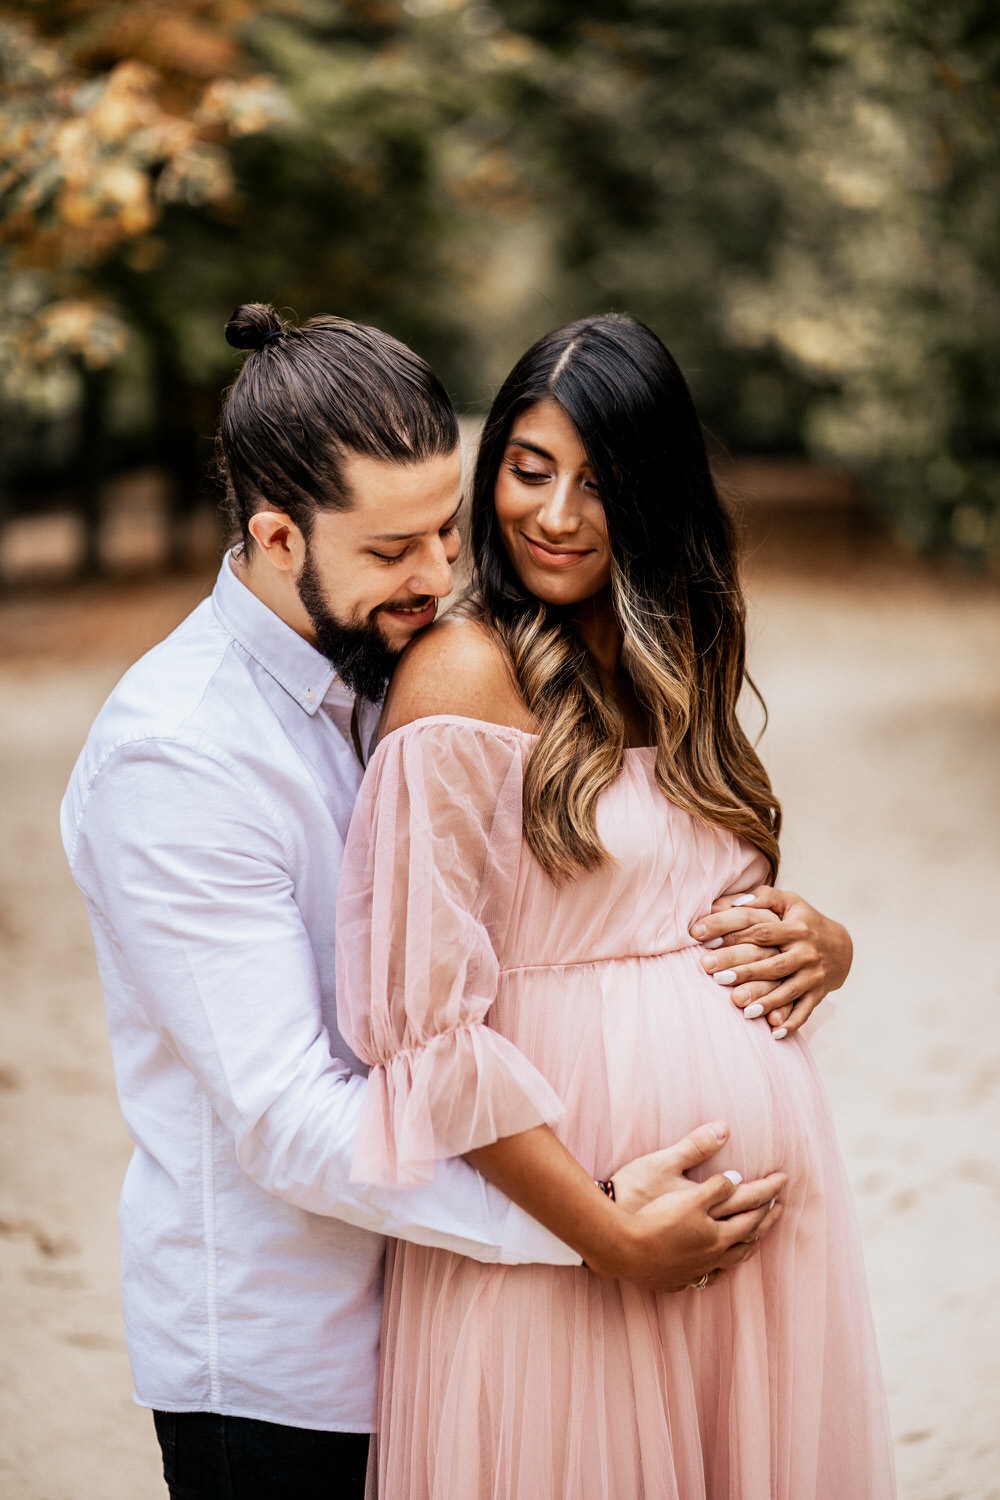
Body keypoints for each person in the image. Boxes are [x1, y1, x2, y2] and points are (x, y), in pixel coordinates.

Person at [61, 303, 853, 1500]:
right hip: (293, 1365)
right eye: (393, 551)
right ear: (278, 537)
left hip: (473, 1297)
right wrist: (591, 1233)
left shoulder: (399, 654)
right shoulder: (177, 756)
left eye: (444, 528)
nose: (440, 577)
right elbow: (288, 1117)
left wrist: (816, 942)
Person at [335, 314, 896, 1499]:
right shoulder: (461, 670)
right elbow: (423, 1027)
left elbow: (710, 893)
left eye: (597, 483)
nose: (553, 514)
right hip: (571, 1241)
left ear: (655, 493)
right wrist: (607, 1237)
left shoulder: (672, 655)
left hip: (744, 1252)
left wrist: (826, 946)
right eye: (528, 470)